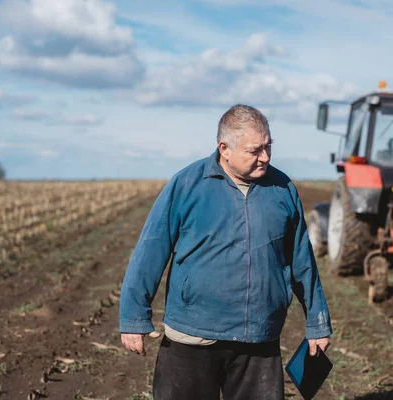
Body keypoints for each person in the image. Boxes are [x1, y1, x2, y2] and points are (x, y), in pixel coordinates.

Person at [119, 104, 333, 400]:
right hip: (193, 336)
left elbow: (302, 261)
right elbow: (150, 251)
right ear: (224, 148)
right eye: (255, 150)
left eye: (269, 147)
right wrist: (133, 318)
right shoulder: (187, 184)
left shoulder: (282, 188)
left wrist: (317, 323)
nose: (266, 157)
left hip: (259, 339)